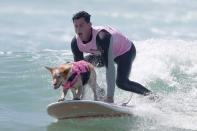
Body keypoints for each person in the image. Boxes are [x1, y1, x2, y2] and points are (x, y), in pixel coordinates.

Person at [70, 11, 152, 103]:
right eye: (76, 26)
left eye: (81, 25)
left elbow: (110, 68)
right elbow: (80, 73)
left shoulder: (102, 37)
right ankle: (99, 91)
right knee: (83, 66)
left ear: (89, 25)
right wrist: (80, 97)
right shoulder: (75, 43)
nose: (78, 29)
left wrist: (110, 98)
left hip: (125, 52)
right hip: (102, 54)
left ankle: (152, 96)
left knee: (122, 83)